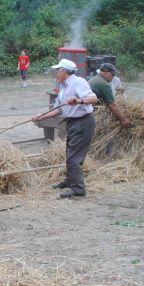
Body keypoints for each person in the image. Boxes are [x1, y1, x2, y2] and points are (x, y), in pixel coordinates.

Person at [32, 59, 97, 199]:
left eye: (58, 70)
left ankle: (78, 190)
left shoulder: (78, 82)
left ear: (65, 72)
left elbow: (93, 98)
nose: (56, 73)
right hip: (72, 123)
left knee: (73, 157)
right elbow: (58, 110)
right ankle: (70, 181)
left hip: (83, 122)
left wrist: (78, 100)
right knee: (70, 154)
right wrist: (40, 117)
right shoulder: (63, 86)